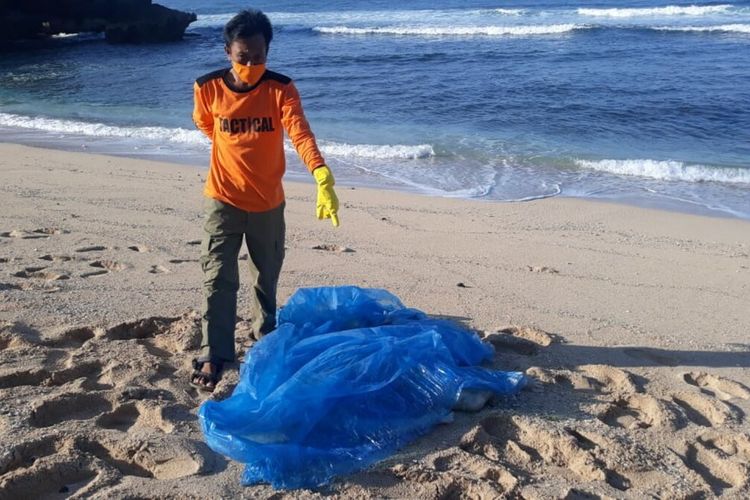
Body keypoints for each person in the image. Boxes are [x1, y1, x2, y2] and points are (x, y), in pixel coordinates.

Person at [190, 9, 339, 392]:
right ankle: (215, 352)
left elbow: (300, 133)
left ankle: (264, 341)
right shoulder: (207, 88)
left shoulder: (281, 88)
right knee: (217, 278)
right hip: (222, 199)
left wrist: (321, 174)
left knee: (264, 279)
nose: (251, 64)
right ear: (228, 52)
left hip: (268, 203)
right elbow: (205, 124)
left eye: (259, 57)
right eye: (243, 57)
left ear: (268, 51)